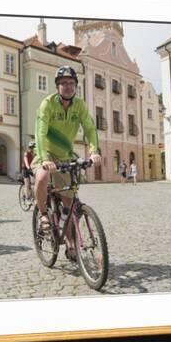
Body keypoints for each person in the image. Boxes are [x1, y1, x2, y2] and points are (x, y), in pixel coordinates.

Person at [33, 65, 101, 261]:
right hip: (44, 154)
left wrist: (94, 150)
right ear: (57, 87)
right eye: (63, 83)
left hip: (64, 157)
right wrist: (44, 158)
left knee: (70, 204)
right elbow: (40, 133)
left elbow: (89, 128)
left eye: (71, 83)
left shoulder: (79, 105)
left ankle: (71, 245)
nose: (68, 87)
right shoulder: (47, 104)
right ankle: (44, 214)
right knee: (42, 175)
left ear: (76, 86)